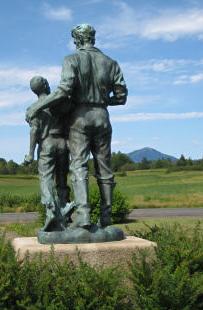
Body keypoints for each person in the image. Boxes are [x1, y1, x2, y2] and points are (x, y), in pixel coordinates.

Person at [26, 24, 128, 229]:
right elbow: (121, 97)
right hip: (102, 117)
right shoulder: (111, 63)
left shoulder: (71, 60)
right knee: (104, 168)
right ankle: (106, 218)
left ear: (79, 40)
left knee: (78, 165)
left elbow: (63, 91)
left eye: (75, 40)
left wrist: (37, 106)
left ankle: (83, 215)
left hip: (80, 118)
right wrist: (101, 101)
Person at [24, 76, 72, 231]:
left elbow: (34, 130)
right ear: (45, 85)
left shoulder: (34, 108)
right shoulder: (59, 103)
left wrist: (30, 153)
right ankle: (65, 213)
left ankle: (51, 210)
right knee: (62, 179)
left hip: (46, 144)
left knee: (46, 179)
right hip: (63, 143)